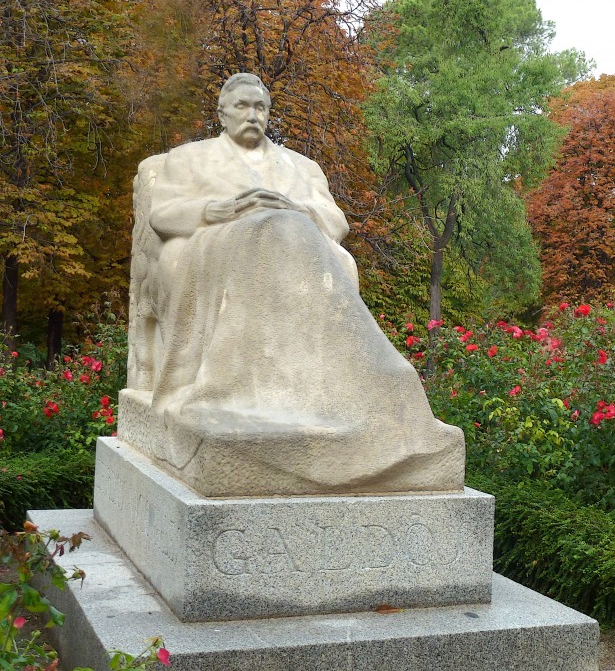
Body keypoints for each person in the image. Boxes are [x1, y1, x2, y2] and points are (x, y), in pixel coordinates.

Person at [121, 73, 464, 497]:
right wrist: (221, 209)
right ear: (222, 112)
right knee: (269, 230)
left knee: (288, 229)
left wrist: (293, 209)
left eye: (260, 108)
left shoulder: (302, 167)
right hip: (216, 246)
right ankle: (232, 391)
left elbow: (336, 222)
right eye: (243, 106)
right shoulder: (188, 159)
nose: (253, 115)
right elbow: (164, 215)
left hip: (296, 252)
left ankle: (345, 390)